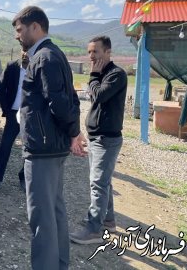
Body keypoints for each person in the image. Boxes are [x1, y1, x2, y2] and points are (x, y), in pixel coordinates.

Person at [12, 5, 87, 270]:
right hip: (50, 146)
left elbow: (60, 103)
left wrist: (74, 133)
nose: (17, 36)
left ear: (36, 27)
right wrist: (73, 133)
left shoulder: (44, 57)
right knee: (54, 212)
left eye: (20, 30)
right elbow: (70, 99)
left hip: (42, 150)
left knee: (43, 218)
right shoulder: (53, 54)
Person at [70, 36, 127, 244]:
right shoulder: (102, 74)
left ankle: (94, 229)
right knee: (104, 183)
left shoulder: (116, 74)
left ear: (108, 52)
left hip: (106, 139)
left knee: (98, 184)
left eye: (96, 52)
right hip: (97, 137)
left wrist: (93, 76)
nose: (91, 56)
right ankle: (108, 221)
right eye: (90, 52)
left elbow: (99, 96)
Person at [0, 49, 28, 193]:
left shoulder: (38, 68)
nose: (26, 54)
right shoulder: (12, 67)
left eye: (29, 52)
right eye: (24, 51)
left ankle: (24, 178)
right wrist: (7, 110)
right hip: (13, 114)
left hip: (30, 115)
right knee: (5, 147)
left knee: (29, 149)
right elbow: (1, 88)